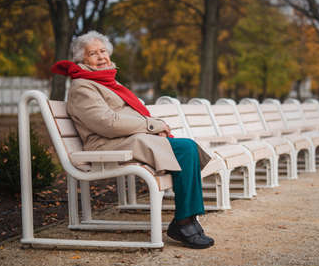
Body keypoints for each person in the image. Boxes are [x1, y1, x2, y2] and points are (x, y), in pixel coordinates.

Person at [51, 30, 214, 249]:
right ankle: (184, 222)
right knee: (185, 149)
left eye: (103, 51)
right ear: (81, 60)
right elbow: (107, 124)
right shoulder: (83, 86)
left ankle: (187, 220)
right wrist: (152, 126)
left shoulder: (107, 82)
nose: (101, 57)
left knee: (187, 148)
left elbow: (128, 117)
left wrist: (153, 130)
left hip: (127, 139)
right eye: (93, 54)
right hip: (107, 144)